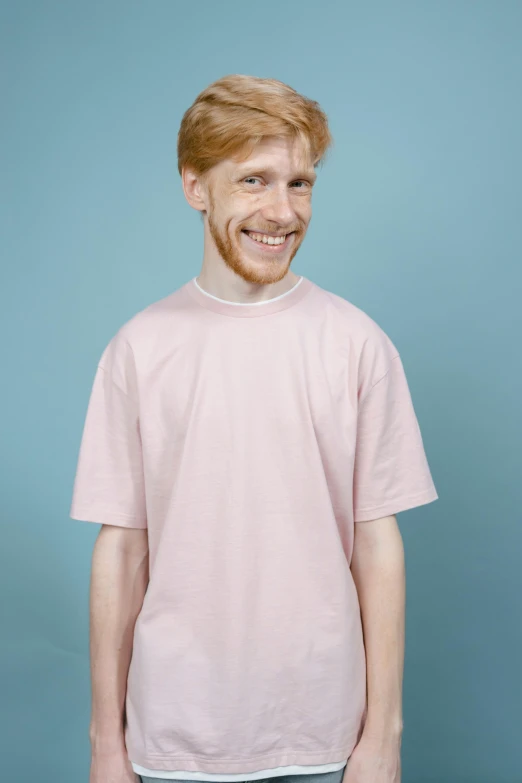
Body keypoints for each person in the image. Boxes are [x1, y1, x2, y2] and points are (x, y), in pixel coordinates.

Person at [70, 74, 439, 783]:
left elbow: (377, 545)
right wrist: (105, 743)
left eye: (300, 183)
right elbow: (121, 550)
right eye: (254, 180)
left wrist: (382, 739)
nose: (282, 211)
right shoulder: (139, 348)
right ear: (195, 186)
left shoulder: (356, 342)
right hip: (174, 736)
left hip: (324, 736)